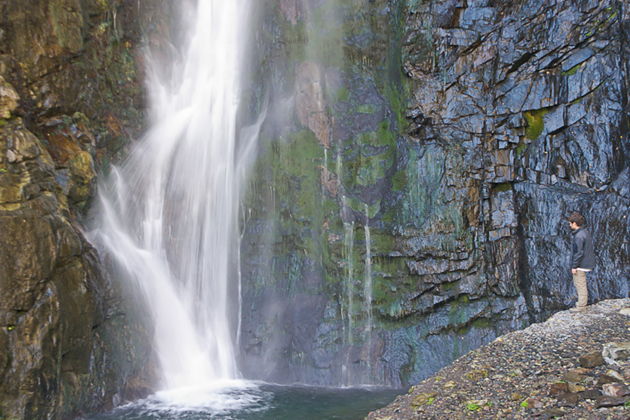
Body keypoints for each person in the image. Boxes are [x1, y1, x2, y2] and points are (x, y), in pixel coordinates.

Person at [567, 212, 595, 310]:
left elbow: (578, 253)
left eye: (570, 223)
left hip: (581, 265)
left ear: (574, 223)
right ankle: (582, 304)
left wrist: (574, 266)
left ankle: (581, 306)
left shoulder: (579, 236)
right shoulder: (584, 232)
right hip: (585, 262)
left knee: (580, 284)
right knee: (581, 284)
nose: (569, 225)